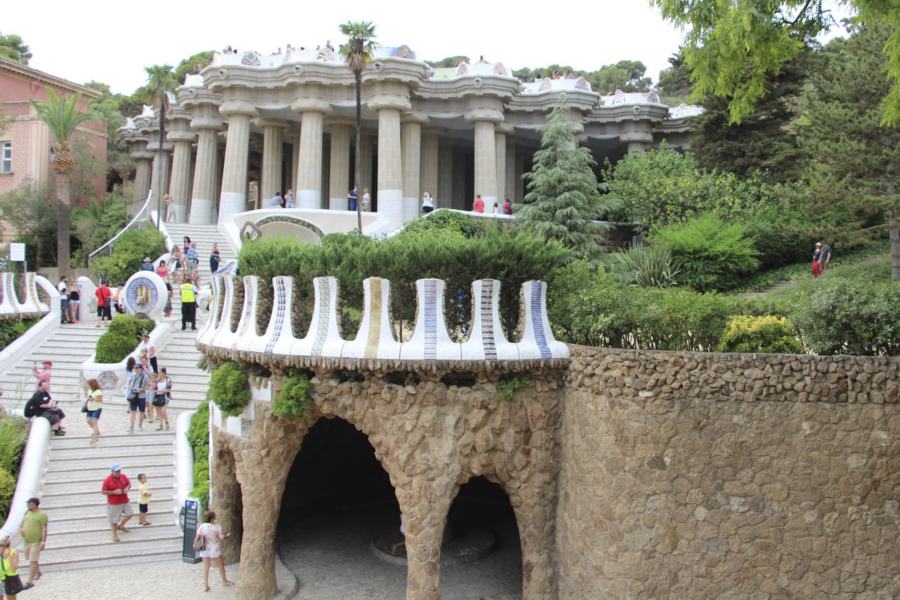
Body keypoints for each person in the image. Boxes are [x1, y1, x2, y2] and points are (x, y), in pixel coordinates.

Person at [193, 511, 235, 591]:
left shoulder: (202, 526)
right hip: (214, 549)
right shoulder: (217, 527)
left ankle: (205, 586)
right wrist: (227, 536)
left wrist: (195, 546)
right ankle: (224, 581)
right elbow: (222, 539)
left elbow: (197, 537)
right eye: (215, 515)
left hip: (204, 549)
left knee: (206, 567)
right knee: (221, 566)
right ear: (212, 518)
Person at [19, 498, 46, 591]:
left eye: (28, 504)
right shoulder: (28, 512)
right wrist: (20, 529)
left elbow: (44, 529)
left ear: (33, 505)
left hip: (35, 541)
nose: (27, 505)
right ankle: (38, 571)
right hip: (27, 540)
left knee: (33, 560)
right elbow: (22, 522)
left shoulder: (41, 515)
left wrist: (42, 542)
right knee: (30, 558)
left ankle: (29, 581)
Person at [102, 464, 133, 542]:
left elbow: (129, 484)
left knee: (130, 513)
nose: (119, 472)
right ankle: (114, 534)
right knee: (114, 520)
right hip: (114, 503)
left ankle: (121, 525)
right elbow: (103, 491)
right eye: (117, 471)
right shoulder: (107, 480)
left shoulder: (123, 476)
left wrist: (127, 488)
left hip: (125, 500)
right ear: (112, 471)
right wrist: (114, 492)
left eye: (119, 470)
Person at [126, 363, 151, 433]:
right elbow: (129, 381)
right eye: (135, 368)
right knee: (133, 410)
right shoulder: (132, 375)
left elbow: (149, 386)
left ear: (140, 369)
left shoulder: (145, 377)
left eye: (137, 368)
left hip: (141, 395)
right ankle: (131, 426)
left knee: (142, 411)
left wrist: (142, 389)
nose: (136, 370)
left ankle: (140, 424)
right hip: (134, 394)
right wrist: (129, 386)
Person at [84, 378, 103, 444]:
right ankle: (96, 431)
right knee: (88, 421)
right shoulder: (90, 390)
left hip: (96, 408)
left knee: (94, 423)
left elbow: (100, 400)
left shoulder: (98, 391)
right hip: (90, 407)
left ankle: (95, 438)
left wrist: (94, 399)